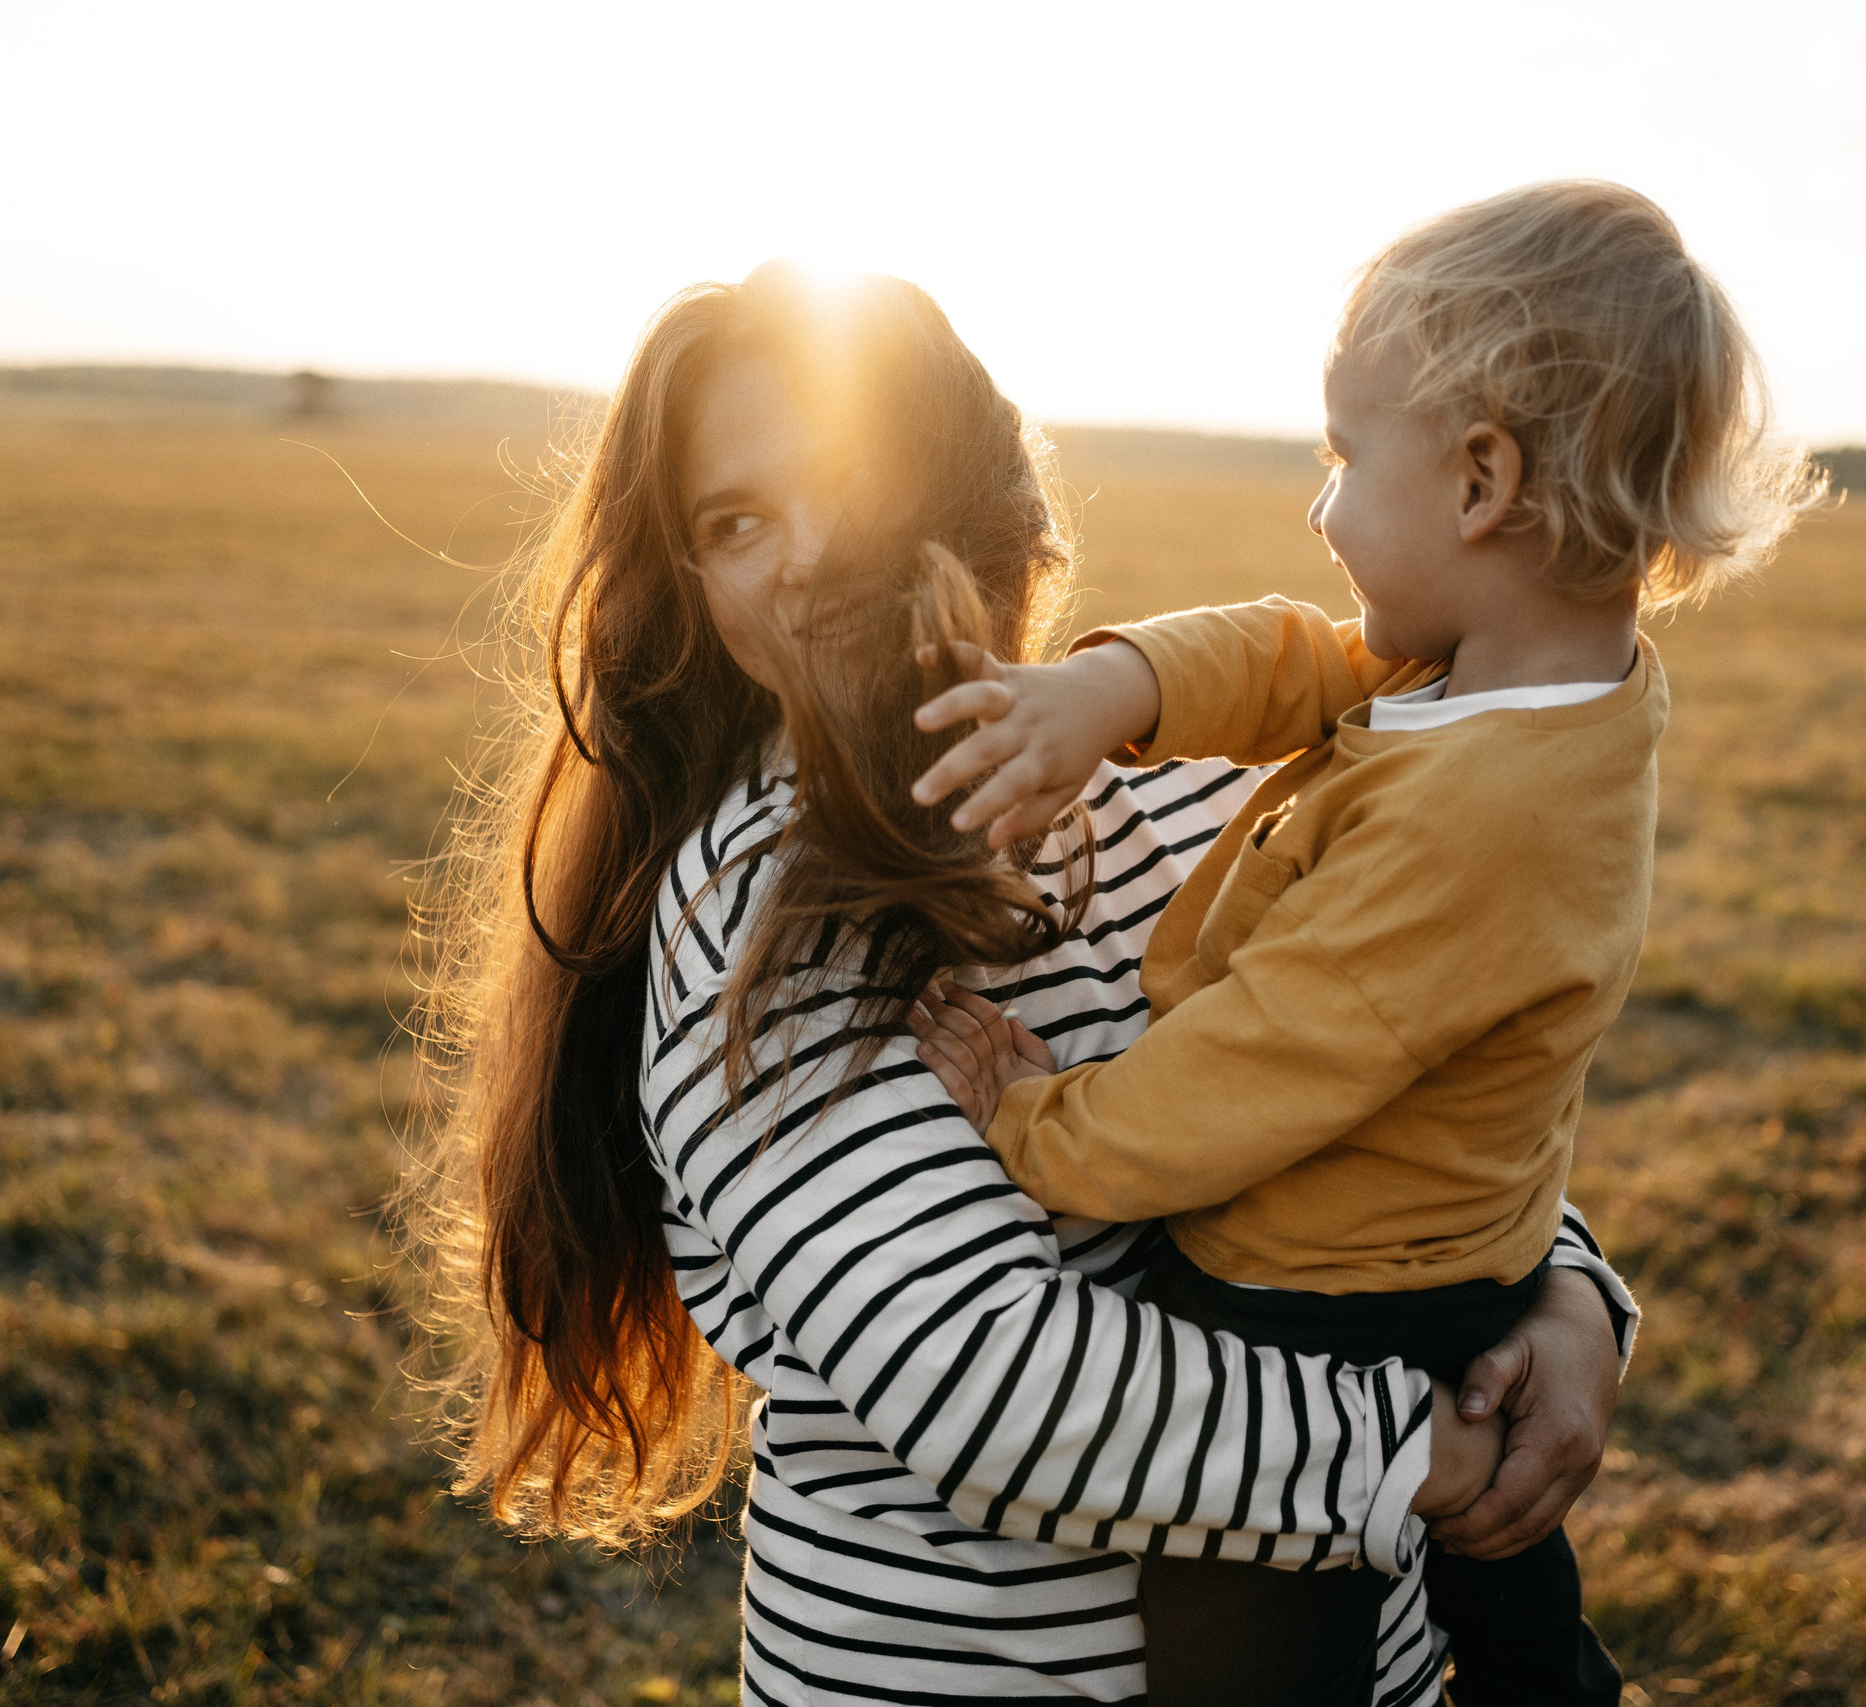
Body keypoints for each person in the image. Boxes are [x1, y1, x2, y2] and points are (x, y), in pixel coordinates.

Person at [400, 259, 1642, 1705]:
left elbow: (1399, 1081)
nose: (797, 554)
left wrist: (1568, 1300)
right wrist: (1427, 1449)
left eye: (844, 476)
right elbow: (994, 1383)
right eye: (734, 524)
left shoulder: (1189, 793)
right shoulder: (760, 926)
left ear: (973, 498)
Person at [905, 181, 1825, 1705]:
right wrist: (1112, 693)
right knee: (1506, 1584)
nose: (1319, 511)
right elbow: (1300, 657)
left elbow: (1255, 1065)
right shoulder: (1535, 687)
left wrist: (1026, 1117)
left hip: (1319, 1297)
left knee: (1241, 1617)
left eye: (1342, 458)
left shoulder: (1483, 822)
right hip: (1465, 1249)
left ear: (1481, 481)